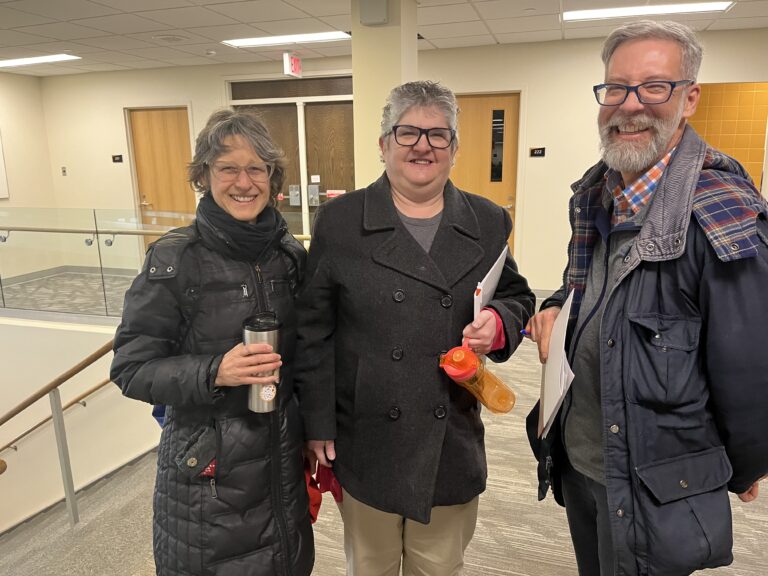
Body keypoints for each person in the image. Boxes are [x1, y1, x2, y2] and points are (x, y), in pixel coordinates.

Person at [525, 20, 768, 576]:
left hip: (658, 485)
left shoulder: (722, 214)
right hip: (582, 462)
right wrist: (557, 305)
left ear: (689, 98)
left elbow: (755, 374)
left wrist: (734, 468)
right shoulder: (599, 192)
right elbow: (582, 281)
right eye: (616, 87)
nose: (629, 105)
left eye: (653, 86)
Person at [295, 80, 535, 575]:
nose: (422, 145)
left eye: (438, 135)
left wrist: (499, 322)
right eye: (407, 133)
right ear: (384, 145)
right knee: (372, 566)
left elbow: (516, 296)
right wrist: (316, 423)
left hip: (450, 431)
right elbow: (312, 330)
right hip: (365, 432)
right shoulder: (340, 221)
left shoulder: (489, 221)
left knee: (439, 566)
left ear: (454, 150)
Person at [110, 108, 313, 576]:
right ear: (204, 175)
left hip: (282, 464)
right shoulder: (174, 259)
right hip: (208, 480)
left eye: (256, 168)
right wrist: (213, 371)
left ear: (273, 177)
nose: (244, 182)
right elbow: (131, 368)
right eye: (228, 168)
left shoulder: (289, 255)